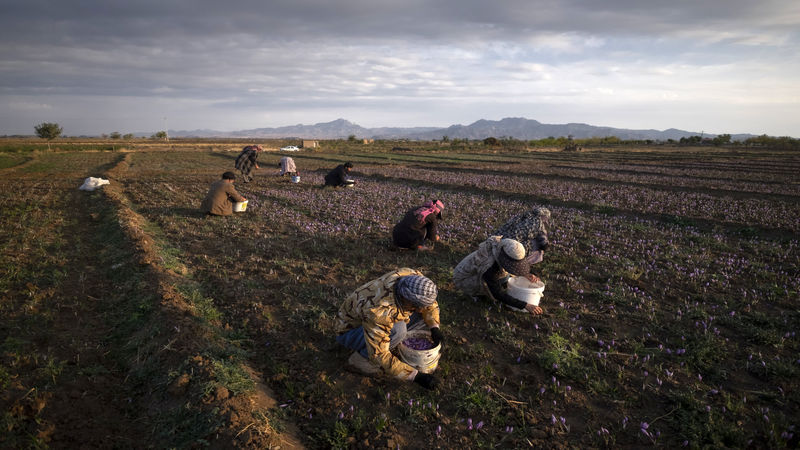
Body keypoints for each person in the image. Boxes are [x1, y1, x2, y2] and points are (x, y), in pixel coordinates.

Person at [335, 268, 443, 390]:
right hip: (350, 331)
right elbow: (379, 354)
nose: (419, 309)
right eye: (416, 306)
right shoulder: (379, 311)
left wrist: (434, 327)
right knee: (398, 330)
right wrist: (415, 376)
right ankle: (361, 360)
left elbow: (430, 304)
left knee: (421, 318)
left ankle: (393, 342)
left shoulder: (412, 277)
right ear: (406, 298)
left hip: (374, 322)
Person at [453, 236, 543, 315]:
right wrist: (525, 305)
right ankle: (474, 293)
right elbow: (497, 293)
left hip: (481, 272)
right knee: (493, 286)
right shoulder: (489, 266)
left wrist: (525, 274)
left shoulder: (502, 249)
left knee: (505, 276)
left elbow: (512, 265)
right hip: (464, 279)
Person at [494, 207, 551, 282]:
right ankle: (522, 262)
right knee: (538, 248)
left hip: (498, 240)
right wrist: (544, 247)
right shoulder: (538, 222)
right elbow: (543, 239)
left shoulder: (523, 216)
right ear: (543, 216)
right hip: (512, 247)